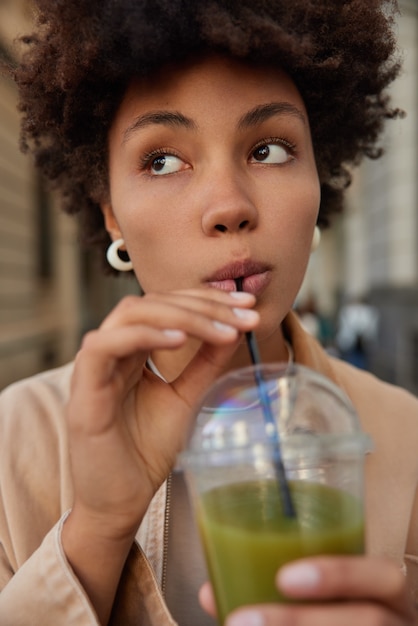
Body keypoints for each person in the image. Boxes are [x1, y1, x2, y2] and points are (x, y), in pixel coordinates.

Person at [1, 1, 417, 625]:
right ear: (110, 211)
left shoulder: (409, 438)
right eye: (162, 160)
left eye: (272, 150)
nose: (228, 206)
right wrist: (99, 527)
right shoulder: (13, 442)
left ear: (319, 181)